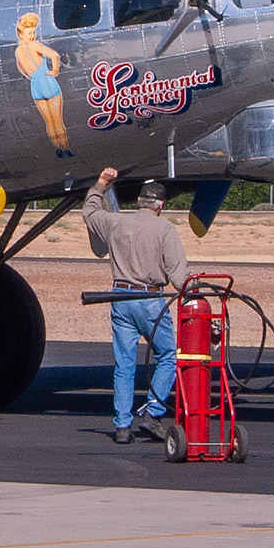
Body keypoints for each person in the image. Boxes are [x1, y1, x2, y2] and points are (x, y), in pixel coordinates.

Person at [82, 169, 188, 444]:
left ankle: (121, 426)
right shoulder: (165, 229)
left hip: (120, 298)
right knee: (167, 357)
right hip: (151, 300)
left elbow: (89, 212)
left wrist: (102, 184)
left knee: (124, 364)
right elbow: (177, 272)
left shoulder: (115, 222)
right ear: (160, 206)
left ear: (140, 199)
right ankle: (152, 414)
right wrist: (193, 294)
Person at [13, 13, 71, 157]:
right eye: (29, 33)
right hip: (48, 83)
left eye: (33, 33)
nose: (32, 36)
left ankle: (57, 149)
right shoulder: (34, 45)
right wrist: (54, 70)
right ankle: (66, 148)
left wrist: (31, 76)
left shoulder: (18, 51)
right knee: (58, 120)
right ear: (21, 34)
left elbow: (21, 68)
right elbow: (54, 55)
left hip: (36, 86)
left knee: (49, 122)